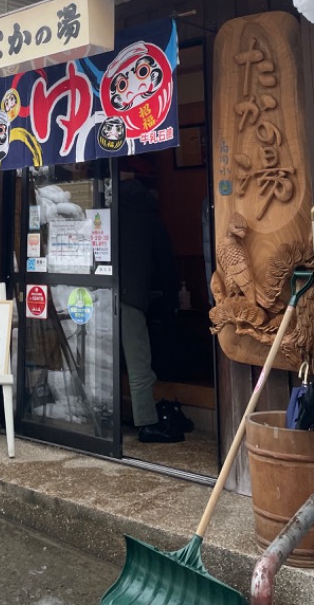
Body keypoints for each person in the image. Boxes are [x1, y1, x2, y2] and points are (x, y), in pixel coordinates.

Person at [118, 173, 184, 443]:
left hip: (99, 295)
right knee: (139, 365)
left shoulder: (110, 213)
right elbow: (166, 265)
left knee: (102, 361)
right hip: (132, 298)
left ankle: (101, 419)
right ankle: (146, 422)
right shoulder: (149, 218)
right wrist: (172, 301)